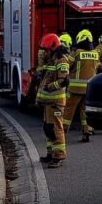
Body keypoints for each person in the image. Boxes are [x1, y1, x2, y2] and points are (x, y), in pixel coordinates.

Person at [36, 33, 70, 168]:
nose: (45, 52)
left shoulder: (62, 60)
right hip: (48, 102)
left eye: (47, 50)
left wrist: (49, 87)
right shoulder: (52, 59)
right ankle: (51, 153)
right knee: (48, 128)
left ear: (54, 47)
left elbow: (63, 81)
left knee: (56, 128)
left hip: (56, 102)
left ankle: (59, 155)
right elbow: (45, 76)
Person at [62, 29, 101, 142]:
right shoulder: (95, 54)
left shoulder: (77, 52)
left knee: (68, 111)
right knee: (85, 112)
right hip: (89, 89)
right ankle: (87, 131)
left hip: (75, 89)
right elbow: (97, 67)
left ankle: (62, 133)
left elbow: (66, 65)